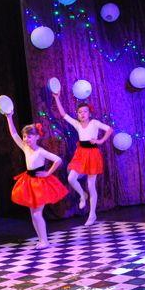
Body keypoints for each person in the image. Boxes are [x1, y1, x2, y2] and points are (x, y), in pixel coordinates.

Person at [5, 112, 68, 248]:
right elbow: (14, 134)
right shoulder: (25, 148)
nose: (26, 139)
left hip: (39, 183)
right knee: (33, 214)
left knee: (37, 214)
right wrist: (9, 117)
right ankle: (41, 239)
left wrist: (48, 173)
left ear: (37, 137)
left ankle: (45, 241)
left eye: (29, 136)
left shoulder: (40, 151)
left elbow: (58, 160)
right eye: (25, 136)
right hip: (29, 181)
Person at [52, 93, 112, 225]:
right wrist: (56, 98)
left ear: (89, 113)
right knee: (71, 178)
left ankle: (92, 215)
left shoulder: (94, 123)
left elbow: (109, 129)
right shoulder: (77, 124)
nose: (82, 114)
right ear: (77, 114)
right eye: (80, 112)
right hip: (80, 154)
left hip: (93, 154)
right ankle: (82, 195)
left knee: (91, 185)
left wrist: (100, 140)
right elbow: (63, 114)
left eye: (85, 111)